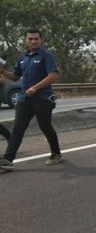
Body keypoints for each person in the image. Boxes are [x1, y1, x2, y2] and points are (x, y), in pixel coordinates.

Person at [0, 28, 62, 170]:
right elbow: (15, 77)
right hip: (24, 99)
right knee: (18, 129)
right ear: (25, 40)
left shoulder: (46, 56)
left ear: (41, 40)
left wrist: (35, 88)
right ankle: (8, 160)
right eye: (30, 38)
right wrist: (3, 71)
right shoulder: (22, 58)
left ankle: (56, 153)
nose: (33, 41)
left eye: (36, 38)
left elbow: (53, 75)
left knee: (45, 127)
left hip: (43, 99)